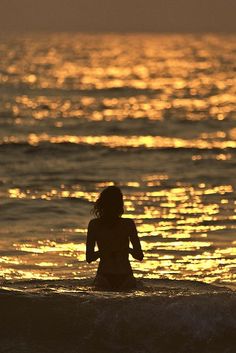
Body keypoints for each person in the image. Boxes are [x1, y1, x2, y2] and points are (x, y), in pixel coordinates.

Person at [86, 186, 143, 290]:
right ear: (120, 204)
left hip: (104, 276)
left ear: (102, 204)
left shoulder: (94, 224)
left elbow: (89, 258)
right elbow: (139, 256)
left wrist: (103, 251)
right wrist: (127, 249)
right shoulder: (128, 224)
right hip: (126, 276)